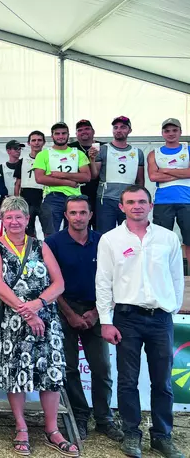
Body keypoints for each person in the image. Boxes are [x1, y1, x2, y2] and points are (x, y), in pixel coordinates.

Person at [0, 196, 78, 457]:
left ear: (28, 219)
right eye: (9, 217)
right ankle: (21, 427)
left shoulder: (41, 246)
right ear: (2, 221)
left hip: (45, 319)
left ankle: (52, 429)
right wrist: (26, 312)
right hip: (12, 322)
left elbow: (59, 284)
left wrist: (37, 305)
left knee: (51, 373)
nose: (14, 221)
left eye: (19, 216)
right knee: (16, 374)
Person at [96, 186, 185, 458]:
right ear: (121, 207)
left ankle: (162, 436)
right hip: (127, 318)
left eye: (142, 201)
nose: (137, 206)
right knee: (127, 381)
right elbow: (103, 282)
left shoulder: (168, 238)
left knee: (162, 382)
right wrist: (105, 321)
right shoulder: (110, 239)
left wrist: (171, 308)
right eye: (131, 202)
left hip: (160, 318)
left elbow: (177, 279)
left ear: (151, 205)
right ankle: (132, 434)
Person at [45, 196, 123, 442]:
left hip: (96, 311)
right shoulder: (52, 243)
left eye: (82, 212)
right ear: (65, 216)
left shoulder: (104, 242)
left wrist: (97, 312)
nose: (78, 217)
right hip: (63, 310)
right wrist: (70, 314)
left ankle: (104, 418)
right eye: (73, 213)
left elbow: (114, 281)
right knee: (68, 368)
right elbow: (49, 283)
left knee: (102, 368)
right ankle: (78, 416)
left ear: (91, 215)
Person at [34, 122, 90, 235]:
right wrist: (68, 182)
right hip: (53, 196)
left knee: (75, 233)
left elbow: (86, 176)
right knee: (50, 234)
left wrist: (62, 174)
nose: (61, 136)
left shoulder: (78, 153)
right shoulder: (43, 154)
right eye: (57, 133)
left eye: (63, 133)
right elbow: (39, 178)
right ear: (52, 136)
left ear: (68, 135)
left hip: (75, 198)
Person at [91, 116, 145, 233]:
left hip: (128, 199)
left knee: (129, 233)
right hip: (106, 199)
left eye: (123, 127)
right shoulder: (103, 149)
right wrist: (92, 159)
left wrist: (140, 199)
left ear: (129, 130)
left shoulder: (137, 152)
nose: (118, 130)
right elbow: (94, 175)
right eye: (115, 127)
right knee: (104, 234)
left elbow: (140, 180)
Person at [147, 117, 190, 259]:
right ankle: (161, 276)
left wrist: (165, 170)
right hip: (163, 201)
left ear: (180, 132)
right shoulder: (154, 153)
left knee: (189, 242)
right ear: (162, 133)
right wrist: (181, 173)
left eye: (174, 130)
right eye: (167, 131)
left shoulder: (187, 149)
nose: (171, 133)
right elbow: (153, 176)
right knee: (161, 242)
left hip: (187, 200)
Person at [14, 131, 46, 237]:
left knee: (48, 230)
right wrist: (17, 202)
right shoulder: (22, 161)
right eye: (33, 140)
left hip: (44, 198)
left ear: (44, 143)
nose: (36, 143)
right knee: (28, 230)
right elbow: (17, 184)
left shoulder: (49, 160)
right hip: (27, 198)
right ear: (29, 143)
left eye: (39, 140)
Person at [70, 119, 100, 229]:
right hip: (76, 193)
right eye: (80, 130)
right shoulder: (70, 148)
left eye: (87, 129)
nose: (84, 132)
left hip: (98, 194)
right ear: (76, 134)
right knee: (77, 226)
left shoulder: (103, 146)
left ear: (93, 131)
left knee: (98, 227)